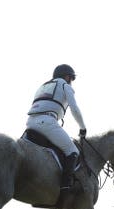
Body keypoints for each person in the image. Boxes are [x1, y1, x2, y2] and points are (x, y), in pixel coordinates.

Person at [26, 64, 87, 192]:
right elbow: (75, 109)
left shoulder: (43, 86)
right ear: (67, 77)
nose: (71, 82)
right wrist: (82, 128)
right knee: (73, 151)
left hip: (30, 123)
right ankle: (65, 186)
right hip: (47, 122)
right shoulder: (65, 85)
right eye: (71, 79)